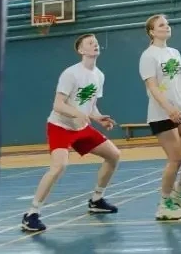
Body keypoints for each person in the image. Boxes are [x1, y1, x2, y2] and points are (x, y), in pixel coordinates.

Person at [21, 33, 120, 233]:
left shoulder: (99, 75)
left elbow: (90, 105)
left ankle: (96, 200)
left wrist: (98, 118)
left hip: (81, 127)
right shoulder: (71, 73)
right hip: (60, 126)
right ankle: (31, 214)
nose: (95, 45)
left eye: (96, 43)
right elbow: (58, 105)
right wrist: (78, 114)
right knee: (59, 166)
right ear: (81, 50)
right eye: (90, 43)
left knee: (114, 155)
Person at [139, 14, 181, 221]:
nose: (167, 27)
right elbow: (152, 87)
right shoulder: (148, 56)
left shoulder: (174, 53)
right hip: (162, 113)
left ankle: (179, 192)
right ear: (152, 32)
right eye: (161, 25)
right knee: (176, 158)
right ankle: (164, 204)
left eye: (167, 24)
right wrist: (168, 108)